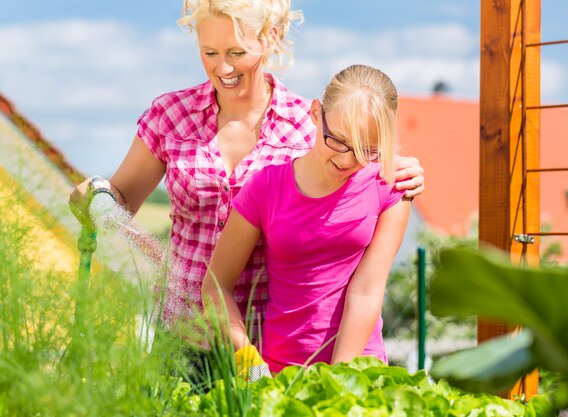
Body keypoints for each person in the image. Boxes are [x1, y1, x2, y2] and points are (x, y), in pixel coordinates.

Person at [68, 0, 424, 346]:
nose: (223, 67)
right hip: (181, 332)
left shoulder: (309, 127)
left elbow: (358, 166)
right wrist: (97, 198)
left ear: (269, 38)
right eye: (210, 53)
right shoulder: (171, 115)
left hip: (262, 339)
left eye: (236, 53)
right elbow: (122, 199)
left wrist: (398, 167)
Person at [203, 64, 411, 374]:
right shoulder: (265, 187)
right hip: (275, 374)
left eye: (365, 150)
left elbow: (367, 291)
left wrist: (340, 379)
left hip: (359, 373)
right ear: (316, 113)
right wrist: (253, 369)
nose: (346, 160)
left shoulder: (391, 186)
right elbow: (215, 287)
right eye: (337, 141)